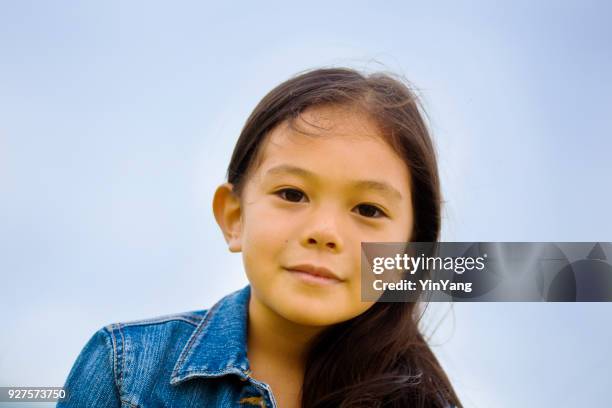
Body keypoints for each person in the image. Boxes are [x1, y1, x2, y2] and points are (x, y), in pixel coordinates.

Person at [58, 67, 462, 407]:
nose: (323, 233)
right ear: (234, 217)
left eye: (368, 210)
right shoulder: (126, 370)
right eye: (291, 194)